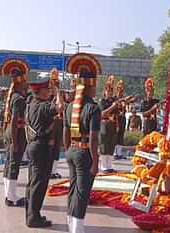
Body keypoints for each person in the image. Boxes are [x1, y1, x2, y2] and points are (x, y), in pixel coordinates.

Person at [64, 53, 102, 233]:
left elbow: (65, 131)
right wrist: (95, 161)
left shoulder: (70, 106)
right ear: (89, 86)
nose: (96, 89)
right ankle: (77, 228)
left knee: (73, 189)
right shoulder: (93, 108)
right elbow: (94, 139)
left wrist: (68, 150)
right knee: (82, 191)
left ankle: (71, 223)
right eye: (95, 85)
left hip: (72, 150)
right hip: (84, 153)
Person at [25, 72, 63, 228]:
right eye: (47, 89)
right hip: (41, 147)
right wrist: (59, 92)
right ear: (40, 92)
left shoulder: (32, 103)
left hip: (33, 145)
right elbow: (60, 107)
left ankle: (31, 215)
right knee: (39, 184)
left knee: (33, 182)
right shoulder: (42, 106)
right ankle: (34, 218)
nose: (50, 92)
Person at [2, 68, 29, 207]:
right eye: (24, 81)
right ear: (19, 83)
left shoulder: (14, 96)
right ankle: (12, 198)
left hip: (11, 131)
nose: (26, 83)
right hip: (16, 132)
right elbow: (14, 120)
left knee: (9, 163)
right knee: (14, 164)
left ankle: (9, 194)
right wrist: (15, 140)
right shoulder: (18, 98)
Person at [99, 75, 118, 173]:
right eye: (108, 91)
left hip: (113, 124)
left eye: (111, 91)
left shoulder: (114, 101)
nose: (109, 93)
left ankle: (109, 165)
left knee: (111, 144)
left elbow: (117, 113)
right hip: (105, 124)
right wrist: (112, 107)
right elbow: (102, 113)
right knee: (104, 145)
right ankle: (103, 166)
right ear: (105, 92)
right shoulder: (102, 101)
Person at [49, 68, 64, 179]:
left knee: (57, 146)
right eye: (55, 83)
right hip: (50, 123)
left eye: (58, 84)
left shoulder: (60, 95)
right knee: (50, 146)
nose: (56, 86)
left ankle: (54, 171)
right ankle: (48, 170)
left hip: (59, 122)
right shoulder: (48, 96)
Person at [115, 79, 127, 146]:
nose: (120, 93)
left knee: (121, 135)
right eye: (119, 91)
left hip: (122, 119)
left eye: (121, 91)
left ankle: (119, 152)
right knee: (115, 135)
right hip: (116, 118)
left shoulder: (123, 100)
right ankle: (114, 152)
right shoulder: (114, 99)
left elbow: (124, 110)